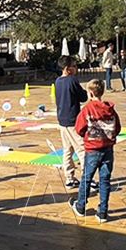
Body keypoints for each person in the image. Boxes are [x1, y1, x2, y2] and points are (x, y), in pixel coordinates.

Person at [72, 79, 120, 223]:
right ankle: (103, 212)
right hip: (108, 149)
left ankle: (81, 205)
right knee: (105, 180)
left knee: (87, 177)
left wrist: (88, 137)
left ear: (90, 93)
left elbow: (79, 128)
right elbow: (117, 128)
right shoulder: (111, 110)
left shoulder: (87, 109)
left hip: (92, 150)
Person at [54, 55, 89, 188]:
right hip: (73, 120)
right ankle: (87, 177)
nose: (76, 68)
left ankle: (69, 177)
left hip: (62, 120)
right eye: (74, 66)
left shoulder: (57, 81)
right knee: (82, 149)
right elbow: (83, 97)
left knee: (67, 149)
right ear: (68, 69)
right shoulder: (72, 80)